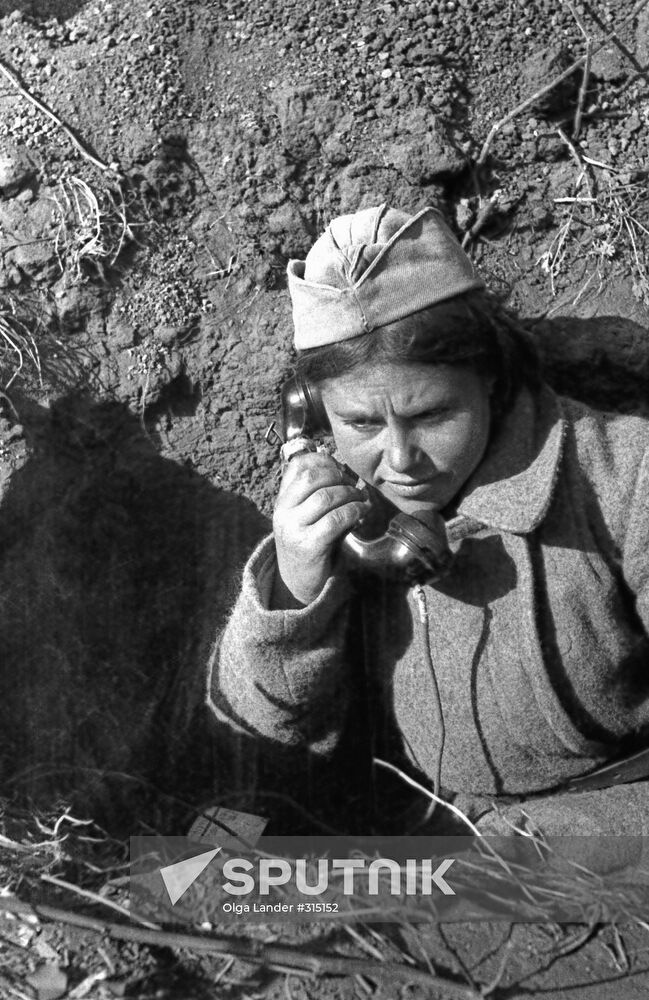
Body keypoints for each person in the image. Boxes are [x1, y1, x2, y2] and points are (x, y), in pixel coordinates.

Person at [207, 204, 649, 850]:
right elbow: (252, 738)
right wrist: (293, 591)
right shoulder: (341, 507)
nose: (398, 460)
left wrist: (527, 848)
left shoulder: (624, 475)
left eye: (432, 415)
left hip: (593, 841)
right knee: (179, 884)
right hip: (424, 848)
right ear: (309, 414)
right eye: (360, 424)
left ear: (491, 378)